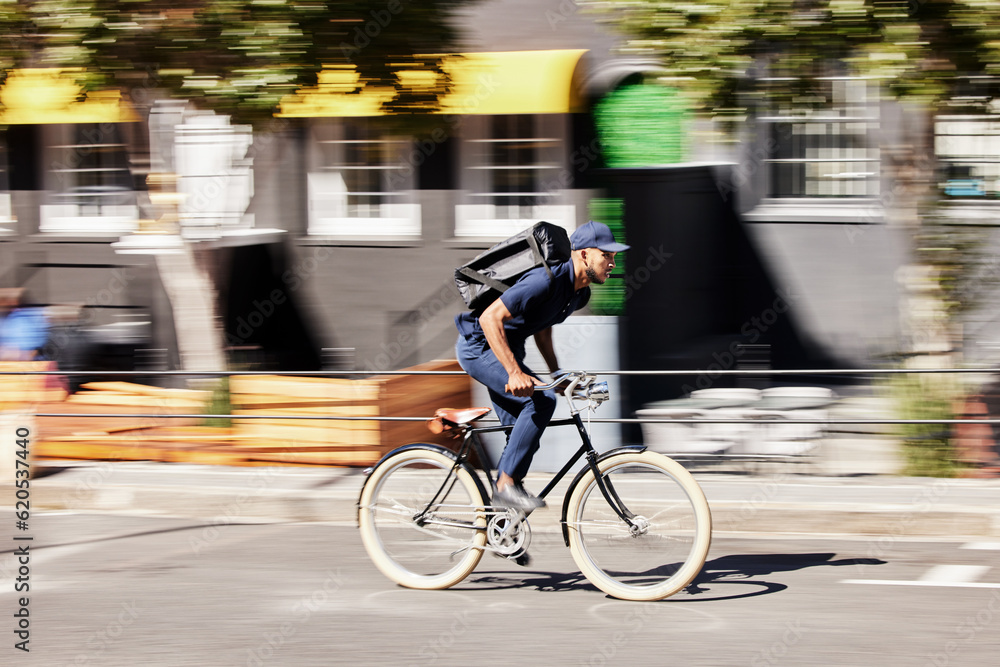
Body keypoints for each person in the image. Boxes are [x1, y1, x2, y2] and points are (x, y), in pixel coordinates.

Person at [454, 221, 629, 511]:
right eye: (606, 255)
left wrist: (556, 373)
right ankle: (505, 488)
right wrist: (514, 372)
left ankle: (504, 525)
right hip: (480, 347)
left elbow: (543, 327)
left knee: (520, 434)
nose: (612, 262)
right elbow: (489, 319)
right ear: (584, 254)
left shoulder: (579, 294)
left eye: (613, 257)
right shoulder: (544, 280)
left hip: (508, 350)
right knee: (541, 402)